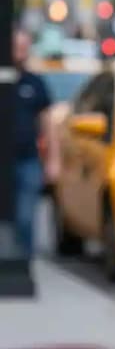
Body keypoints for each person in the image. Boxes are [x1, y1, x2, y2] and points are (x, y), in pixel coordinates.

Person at [13, 29, 59, 262]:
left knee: (26, 216)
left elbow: (48, 124)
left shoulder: (35, 83)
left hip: (28, 159)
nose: (20, 53)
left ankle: (24, 262)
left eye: (24, 48)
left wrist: (52, 160)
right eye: (16, 47)